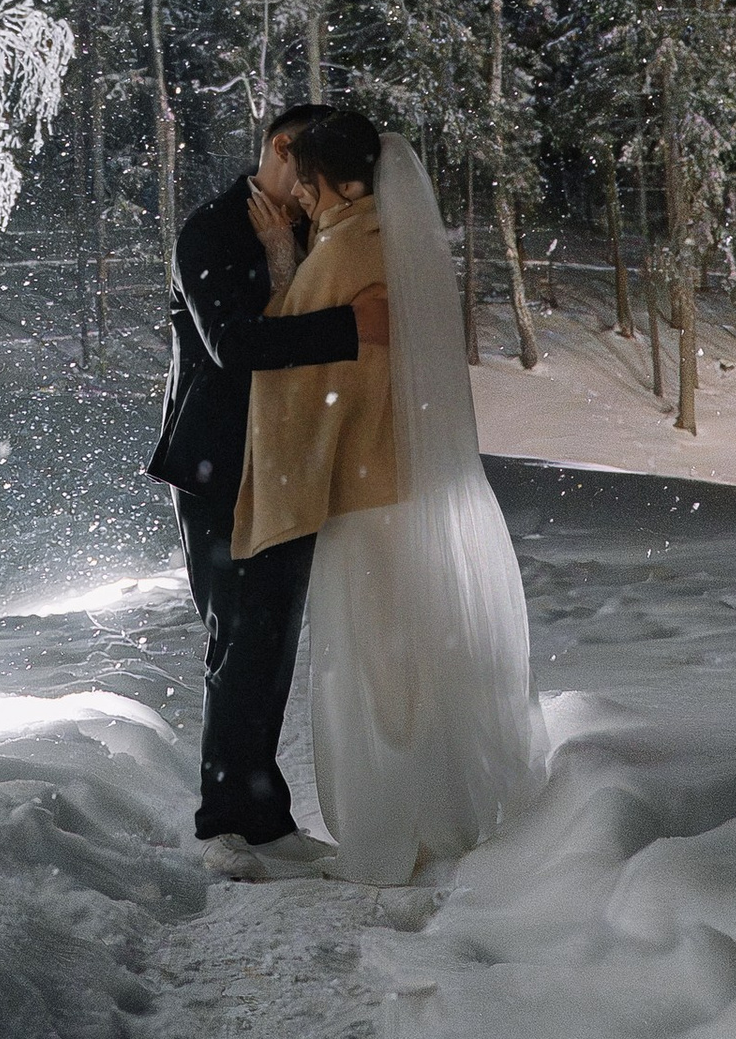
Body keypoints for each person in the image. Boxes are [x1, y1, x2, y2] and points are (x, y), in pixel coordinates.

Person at [239, 106, 539, 886]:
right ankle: (437, 810)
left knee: (373, 662)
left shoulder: (343, 251)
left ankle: (391, 829)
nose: (298, 199)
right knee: (413, 648)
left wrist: (278, 258)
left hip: (362, 486)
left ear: (336, 182)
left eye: (305, 185)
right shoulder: (395, 242)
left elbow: (285, 369)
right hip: (408, 480)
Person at [150, 105, 391, 866]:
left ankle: (263, 818)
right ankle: (228, 824)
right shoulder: (212, 229)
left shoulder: (306, 224)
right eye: (312, 174)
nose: (318, 190)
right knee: (238, 637)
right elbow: (231, 345)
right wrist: (353, 329)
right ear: (282, 149)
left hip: (289, 459)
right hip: (220, 461)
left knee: (272, 638)